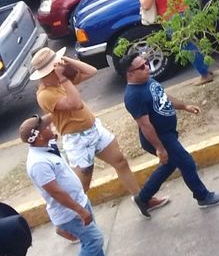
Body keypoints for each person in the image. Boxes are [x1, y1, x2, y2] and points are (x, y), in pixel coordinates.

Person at [28, 46, 165, 217]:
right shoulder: (46, 94)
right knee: (81, 186)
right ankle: (72, 220)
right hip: (77, 140)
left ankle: (142, 199)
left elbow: (92, 71)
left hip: (93, 129)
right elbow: (75, 104)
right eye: (55, 65)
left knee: (120, 162)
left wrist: (68, 61)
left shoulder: (61, 80)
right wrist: (64, 78)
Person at [20, 113, 127, 256]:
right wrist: (80, 210)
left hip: (79, 201)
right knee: (94, 241)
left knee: (90, 241)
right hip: (70, 212)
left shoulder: (46, 145)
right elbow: (56, 192)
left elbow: (51, 118)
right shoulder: (38, 163)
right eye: (45, 127)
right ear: (37, 136)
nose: (50, 127)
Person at [120, 50, 219, 212]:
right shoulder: (133, 96)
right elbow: (145, 125)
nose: (147, 67)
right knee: (186, 163)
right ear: (130, 74)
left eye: (147, 63)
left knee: (169, 165)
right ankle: (203, 197)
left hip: (168, 133)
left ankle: (143, 199)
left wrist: (184, 106)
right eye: (142, 67)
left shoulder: (147, 80)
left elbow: (163, 96)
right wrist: (160, 149)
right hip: (160, 138)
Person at [140, 0, 215, 83]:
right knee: (193, 41)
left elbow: (146, 5)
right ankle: (206, 68)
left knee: (186, 46)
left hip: (170, 18)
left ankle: (204, 74)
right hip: (185, 12)